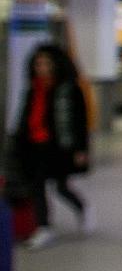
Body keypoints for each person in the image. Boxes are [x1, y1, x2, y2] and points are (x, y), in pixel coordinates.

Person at [12, 44, 91, 249]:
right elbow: (25, 117)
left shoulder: (69, 89)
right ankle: (43, 227)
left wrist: (81, 149)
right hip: (35, 146)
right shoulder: (34, 89)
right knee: (37, 187)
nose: (42, 68)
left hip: (58, 148)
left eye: (47, 63)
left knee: (61, 187)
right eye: (39, 63)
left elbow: (80, 122)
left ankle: (81, 207)